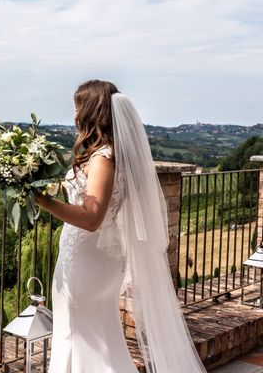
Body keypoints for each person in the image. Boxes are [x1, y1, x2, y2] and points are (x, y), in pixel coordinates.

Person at [34, 79, 207, 373]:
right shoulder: (114, 155)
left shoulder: (102, 159)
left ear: (90, 111)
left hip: (85, 260)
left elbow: (91, 217)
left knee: (78, 336)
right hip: (100, 259)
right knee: (101, 338)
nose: (74, 115)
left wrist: (40, 200)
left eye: (78, 107)